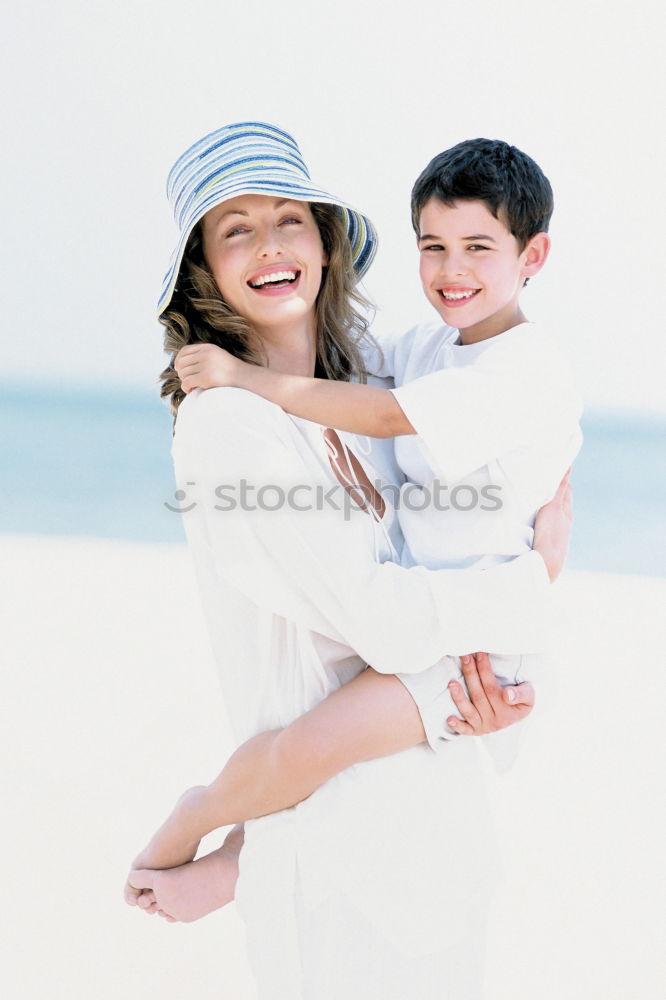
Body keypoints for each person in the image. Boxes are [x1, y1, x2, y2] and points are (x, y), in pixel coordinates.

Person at [125, 123, 572, 999]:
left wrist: (477, 696)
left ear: (325, 245)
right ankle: (221, 830)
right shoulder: (228, 424)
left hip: (440, 834)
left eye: (289, 218)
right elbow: (383, 623)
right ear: (204, 273)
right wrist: (532, 583)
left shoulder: (373, 389)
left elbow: (503, 471)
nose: (269, 245)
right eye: (235, 229)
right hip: (335, 875)